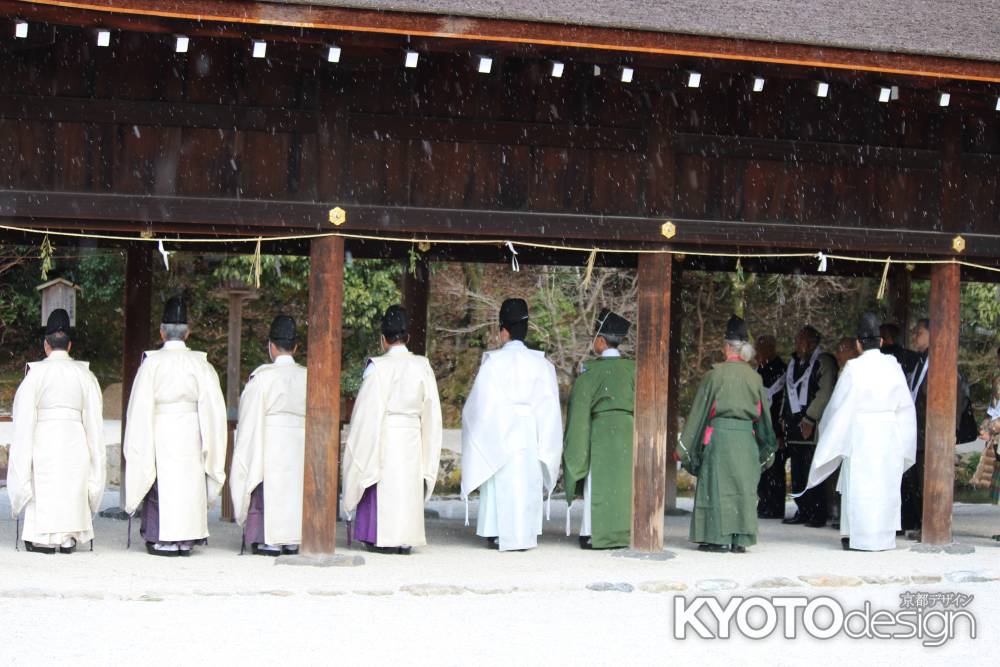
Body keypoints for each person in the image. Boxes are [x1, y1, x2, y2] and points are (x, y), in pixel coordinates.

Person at [795, 314, 916, 551]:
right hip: (889, 433)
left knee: (860, 486)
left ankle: (855, 535)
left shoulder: (854, 368)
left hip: (861, 434)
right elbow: (905, 408)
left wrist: (829, 436)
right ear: (881, 342)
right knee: (884, 486)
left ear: (859, 344)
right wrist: (904, 440)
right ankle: (882, 537)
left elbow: (839, 407)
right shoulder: (894, 367)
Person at [123, 296, 227, 557]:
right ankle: (186, 539)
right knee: (189, 483)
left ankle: (161, 538)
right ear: (188, 332)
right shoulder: (201, 365)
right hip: (191, 431)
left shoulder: (152, 364)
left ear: (161, 331)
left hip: (160, 430)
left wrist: (139, 442)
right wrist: (209, 441)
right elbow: (214, 410)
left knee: (160, 482)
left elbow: (139, 408)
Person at [461, 298, 563, 551]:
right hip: (529, 429)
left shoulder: (493, 363)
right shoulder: (542, 364)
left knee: (499, 476)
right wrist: (546, 441)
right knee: (527, 481)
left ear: (503, 330)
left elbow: (478, 407)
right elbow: (550, 408)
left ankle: (495, 532)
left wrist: (482, 429)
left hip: (498, 426)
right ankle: (525, 533)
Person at [342, 305, 443, 555]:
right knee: (408, 484)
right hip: (412, 434)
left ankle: (378, 536)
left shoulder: (377, 368)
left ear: (383, 339)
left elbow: (365, 416)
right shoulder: (423, 367)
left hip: (385, 434)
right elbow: (432, 413)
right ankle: (406, 537)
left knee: (378, 479)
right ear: (408, 337)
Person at [7, 309, 105, 554]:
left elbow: (23, 419)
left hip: (44, 438)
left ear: (46, 345)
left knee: (45, 485)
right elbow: (94, 420)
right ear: (69, 345)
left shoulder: (35, 375)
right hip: (75, 438)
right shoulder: (85, 375)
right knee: (72, 484)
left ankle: (43, 537)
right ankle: (68, 537)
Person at [679, 315, 778, 553]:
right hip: (746, 439)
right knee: (743, 488)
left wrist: (684, 446)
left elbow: (699, 413)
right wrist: (768, 445)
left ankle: (716, 537)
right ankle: (739, 539)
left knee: (716, 485)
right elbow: (764, 417)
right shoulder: (755, 378)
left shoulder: (714, 375)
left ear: (726, 347)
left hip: (720, 438)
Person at [229, 315, 307, 556]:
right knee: (297, 487)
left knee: (267, 486)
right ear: (295, 347)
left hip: (270, 441)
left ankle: (268, 539)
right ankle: (294, 538)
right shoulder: (309, 376)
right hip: (301, 441)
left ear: (271, 346)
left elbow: (250, 420)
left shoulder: (262, 378)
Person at [563, 309, 635, 549]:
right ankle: (626, 533)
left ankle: (594, 533)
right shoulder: (634, 370)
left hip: (601, 432)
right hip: (628, 432)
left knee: (598, 484)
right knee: (625, 484)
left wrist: (575, 446)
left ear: (602, 341)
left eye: (595, 337)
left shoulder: (589, 374)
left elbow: (579, 414)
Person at [902, 318, 974, 536]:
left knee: (929, 481)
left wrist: (950, 429)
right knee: (915, 481)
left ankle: (932, 525)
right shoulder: (919, 362)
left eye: (919, 332)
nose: (914, 336)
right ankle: (917, 522)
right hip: (917, 432)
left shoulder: (942, 360)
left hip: (933, 430)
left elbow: (958, 396)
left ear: (933, 334)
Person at [780, 325, 838, 527]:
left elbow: (825, 392)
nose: (797, 344)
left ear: (812, 343)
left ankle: (817, 511)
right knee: (797, 471)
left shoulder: (824, 362)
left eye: (801, 340)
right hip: (794, 424)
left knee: (813, 468)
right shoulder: (794, 362)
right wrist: (782, 418)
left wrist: (810, 417)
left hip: (813, 425)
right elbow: (787, 392)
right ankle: (802, 508)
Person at [754, 334, 787, 519]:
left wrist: (779, 429)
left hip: (775, 424)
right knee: (763, 466)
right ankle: (764, 502)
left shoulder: (781, 369)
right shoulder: (760, 369)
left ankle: (775, 506)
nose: (757, 353)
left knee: (775, 467)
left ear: (770, 348)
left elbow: (782, 401)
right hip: (761, 423)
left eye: (760, 349)